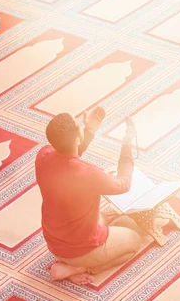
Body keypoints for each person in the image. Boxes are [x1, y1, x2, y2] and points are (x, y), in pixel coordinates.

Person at [35, 106, 146, 285]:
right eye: (79, 125)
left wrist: (89, 130)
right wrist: (127, 144)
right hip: (81, 249)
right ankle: (80, 268)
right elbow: (123, 184)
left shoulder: (43, 156)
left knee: (107, 217)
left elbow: (68, 153)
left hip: (54, 242)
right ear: (77, 138)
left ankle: (71, 262)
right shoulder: (88, 174)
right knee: (134, 240)